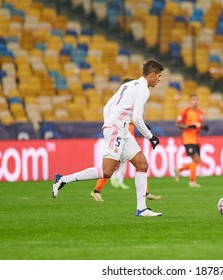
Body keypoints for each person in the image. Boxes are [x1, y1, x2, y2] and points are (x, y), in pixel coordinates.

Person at [52, 59, 164, 217]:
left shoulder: (128, 85)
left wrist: (110, 124)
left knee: (142, 163)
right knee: (107, 171)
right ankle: (62, 179)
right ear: (152, 74)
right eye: (158, 76)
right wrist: (150, 136)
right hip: (117, 129)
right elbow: (138, 118)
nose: (159, 79)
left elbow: (107, 107)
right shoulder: (143, 90)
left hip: (120, 130)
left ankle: (142, 209)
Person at [91, 121, 162, 202]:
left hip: (128, 142)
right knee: (110, 169)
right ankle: (96, 190)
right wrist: (141, 124)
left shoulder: (131, 112)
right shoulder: (124, 112)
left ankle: (145, 192)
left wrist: (140, 125)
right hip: (119, 142)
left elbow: (131, 123)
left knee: (141, 165)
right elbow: (128, 120)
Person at [174, 93, 209, 187]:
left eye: (197, 99)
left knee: (197, 160)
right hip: (188, 139)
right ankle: (192, 181)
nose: (195, 101)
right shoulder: (185, 111)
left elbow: (198, 125)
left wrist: (203, 127)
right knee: (196, 159)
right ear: (190, 101)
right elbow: (177, 124)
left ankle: (179, 170)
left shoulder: (200, 112)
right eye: (193, 99)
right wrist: (188, 126)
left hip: (196, 139)